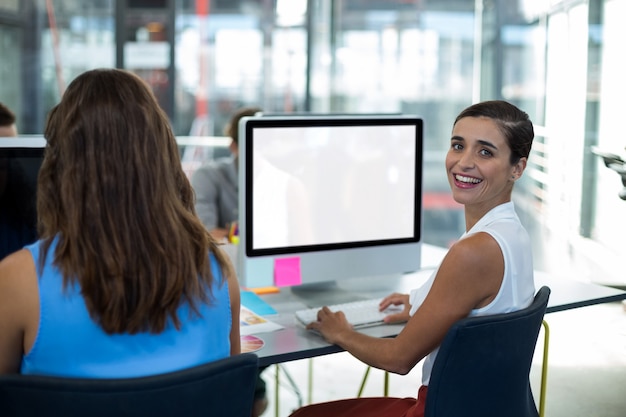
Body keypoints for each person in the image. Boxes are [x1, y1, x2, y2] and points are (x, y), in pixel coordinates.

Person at [288, 100, 536, 417]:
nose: (463, 162)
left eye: (485, 152)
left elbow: (398, 358)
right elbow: (480, 306)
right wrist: (422, 303)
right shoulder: (513, 234)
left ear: (517, 168)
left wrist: (341, 331)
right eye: (458, 146)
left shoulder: (474, 252)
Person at [0, 68, 241, 378]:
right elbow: (229, 393)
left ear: (60, 166)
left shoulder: (18, 281)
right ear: (163, 157)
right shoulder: (219, 273)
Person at [192, 106, 261, 241]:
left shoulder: (281, 181)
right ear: (234, 147)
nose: (261, 153)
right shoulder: (208, 176)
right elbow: (207, 233)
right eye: (254, 145)